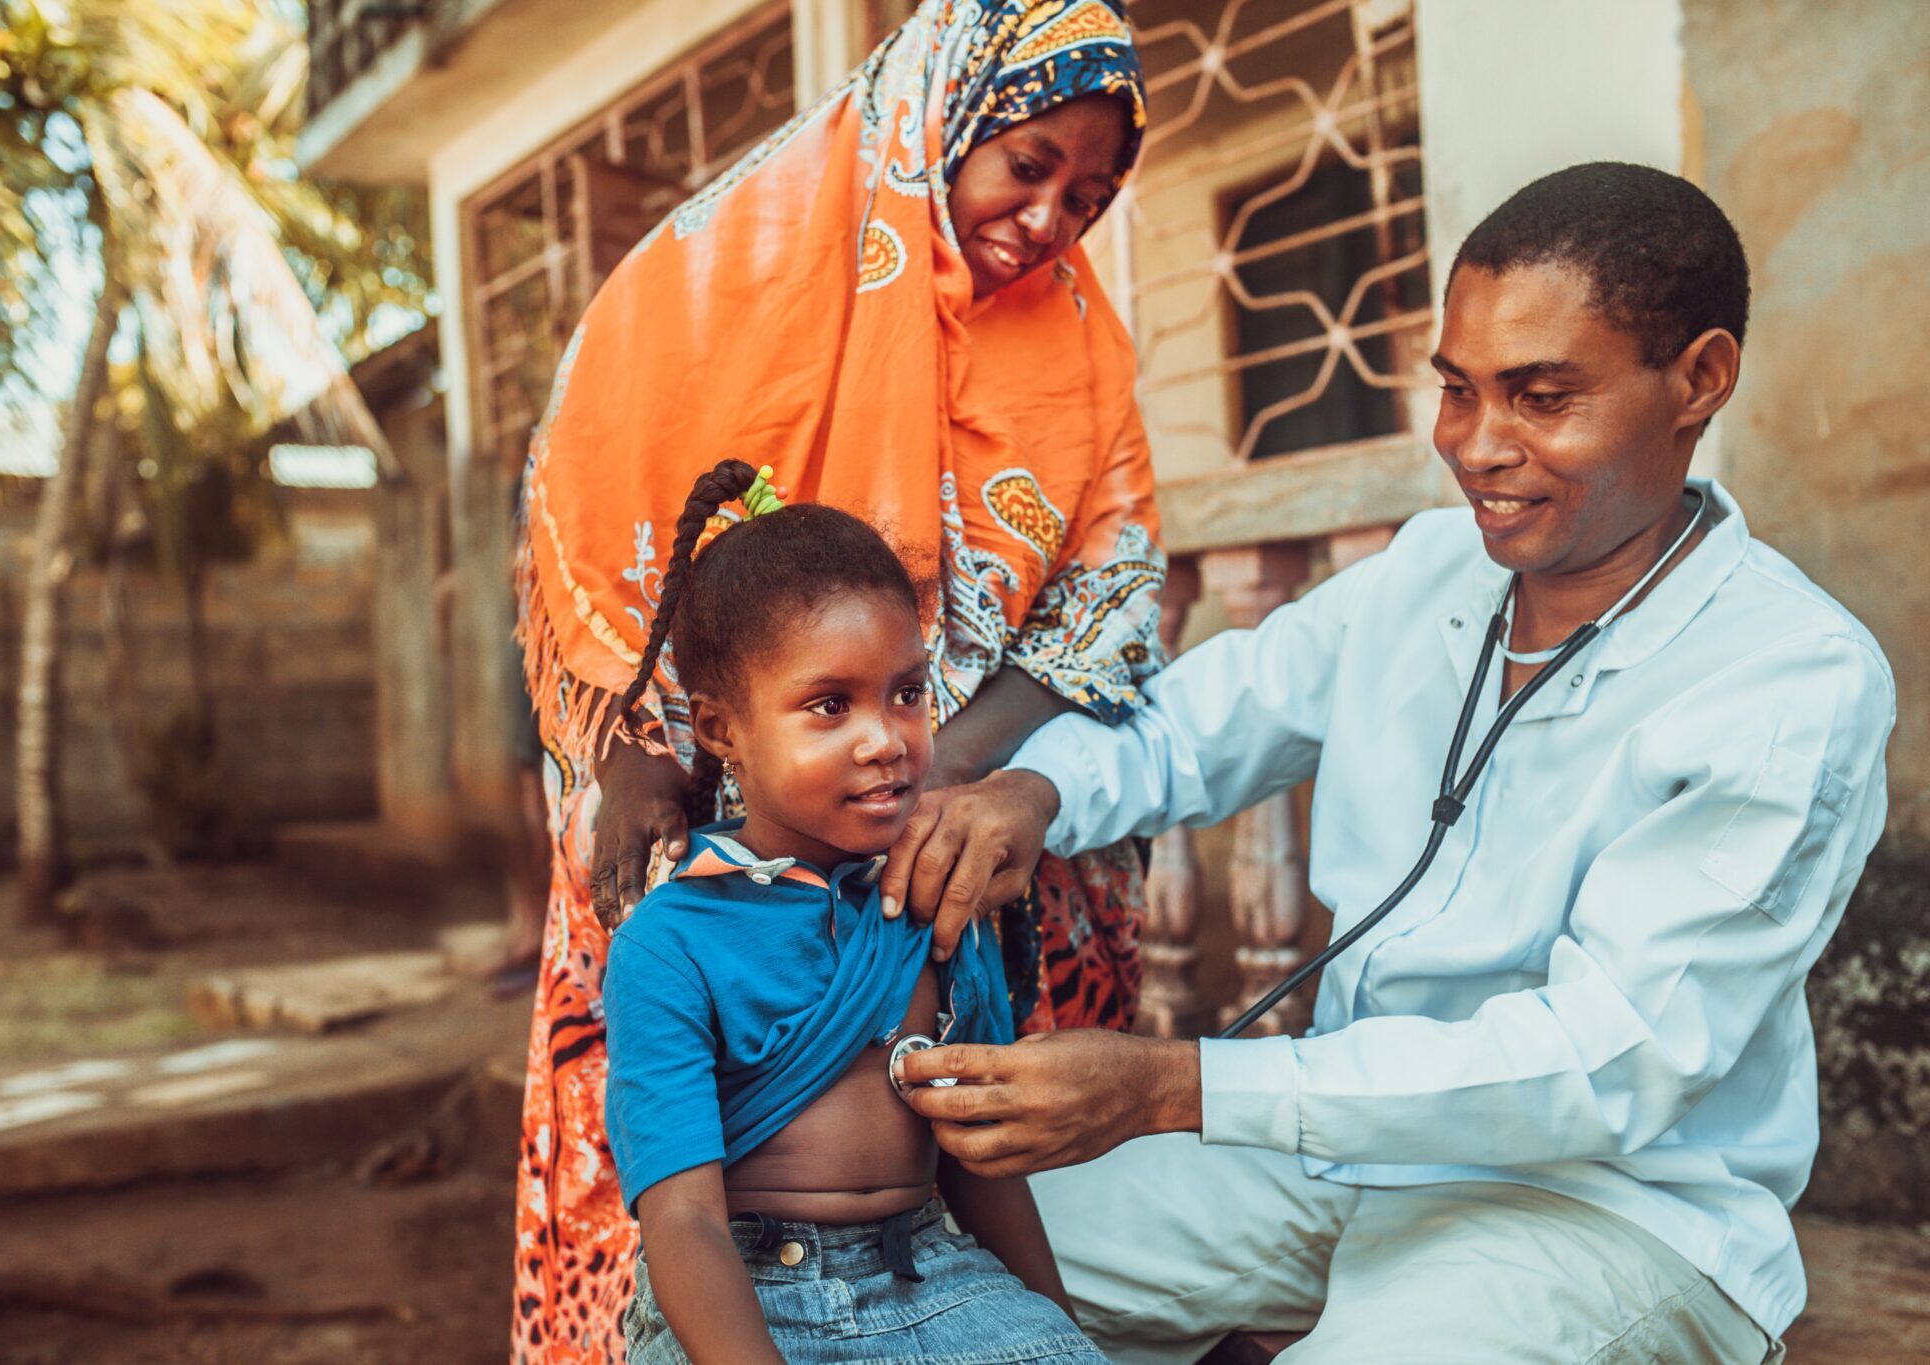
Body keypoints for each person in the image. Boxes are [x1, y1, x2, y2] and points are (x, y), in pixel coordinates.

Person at [883, 162, 1896, 1362]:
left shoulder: (1789, 677)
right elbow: (1186, 724)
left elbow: (1607, 1059)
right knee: (900, 1272)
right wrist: (1032, 792)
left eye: (1538, 397)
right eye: (1456, 391)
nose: (1474, 447)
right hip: (1331, 1153)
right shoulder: (1425, 571)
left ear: (1699, 379)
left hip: (1607, 1211)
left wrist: (1172, 1088)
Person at [511, 3, 1165, 1356]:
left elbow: (1106, 593)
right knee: (681, 1153)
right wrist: (631, 753)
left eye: (1090, 195)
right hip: (701, 789)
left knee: (968, 1101)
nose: (1050, 218)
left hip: (946, 826)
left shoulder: (1085, 348)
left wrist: (942, 772)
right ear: (948, 117)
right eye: (1027, 164)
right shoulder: (718, 274)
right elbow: (590, 521)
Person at [604, 460, 1100, 1364]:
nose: (885, 739)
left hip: (935, 1277)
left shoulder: (936, 900)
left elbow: (979, 1159)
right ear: (721, 729)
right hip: (738, 1302)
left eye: (907, 693)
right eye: (830, 705)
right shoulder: (670, 942)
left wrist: (1060, 1334)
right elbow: (681, 1221)